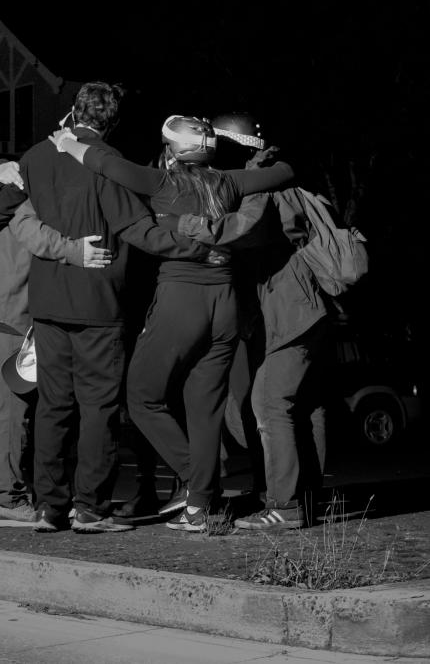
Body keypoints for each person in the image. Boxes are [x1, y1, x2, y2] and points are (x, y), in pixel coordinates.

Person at [50, 111, 295, 532]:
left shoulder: (162, 182)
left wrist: (68, 144)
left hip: (182, 300)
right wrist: (258, 163)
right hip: (227, 303)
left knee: (142, 397)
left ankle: (200, 484)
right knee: (206, 409)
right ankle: (198, 509)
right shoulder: (230, 182)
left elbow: (106, 165)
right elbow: (286, 171)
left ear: (170, 150)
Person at [17, 82, 219, 534]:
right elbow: (138, 229)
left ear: (74, 111)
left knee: (52, 406)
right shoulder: (108, 167)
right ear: (114, 122)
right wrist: (197, 246)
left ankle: (50, 507)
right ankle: (90, 507)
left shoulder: (33, 158)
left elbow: (16, 215)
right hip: (100, 300)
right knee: (98, 408)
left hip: (47, 298)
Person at [177, 112, 331, 529]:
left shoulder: (260, 183)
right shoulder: (271, 175)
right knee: (305, 405)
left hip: (291, 309)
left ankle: (284, 505)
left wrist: (188, 223)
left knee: (269, 403)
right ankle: (305, 497)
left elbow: (242, 230)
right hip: (302, 307)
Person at [0, 162, 112, 527]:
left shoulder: (26, 190)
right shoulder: (23, 195)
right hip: (4, 312)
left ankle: (12, 494)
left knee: (18, 409)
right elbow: (36, 235)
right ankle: (2, 498)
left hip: (15, 313)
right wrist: (77, 252)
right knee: (6, 410)